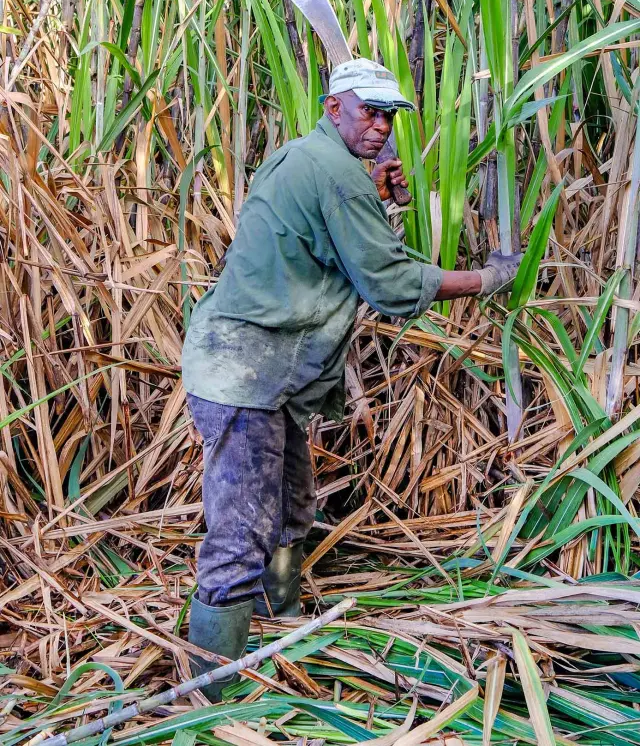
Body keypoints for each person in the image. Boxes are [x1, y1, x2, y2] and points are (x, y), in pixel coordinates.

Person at [181, 58, 521, 700]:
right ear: (333, 106)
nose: (381, 126)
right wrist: (487, 280)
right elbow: (389, 284)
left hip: (257, 371)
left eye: (388, 114)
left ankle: (274, 633)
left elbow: (329, 247)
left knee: (291, 507)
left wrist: (378, 199)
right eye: (369, 110)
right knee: (242, 531)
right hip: (243, 374)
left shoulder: (308, 160)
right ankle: (207, 701)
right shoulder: (337, 175)